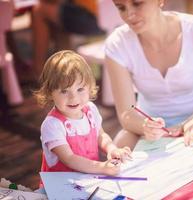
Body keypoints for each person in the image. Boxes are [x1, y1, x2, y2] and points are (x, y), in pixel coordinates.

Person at [104, 0, 193, 149]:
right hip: (153, 128)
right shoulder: (117, 44)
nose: (129, 14)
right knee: (120, 147)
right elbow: (126, 113)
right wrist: (146, 126)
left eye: (138, 3)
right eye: (121, 8)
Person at [34, 50, 131, 179]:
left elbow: (100, 135)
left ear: (89, 87)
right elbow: (69, 159)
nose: (74, 98)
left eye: (80, 89)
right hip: (62, 186)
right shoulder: (52, 125)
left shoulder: (90, 110)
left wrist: (112, 149)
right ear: (50, 92)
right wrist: (102, 167)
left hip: (90, 179)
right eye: (64, 91)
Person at [32, 0, 104, 80]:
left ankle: (39, 72)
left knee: (40, 10)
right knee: (58, 14)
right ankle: (61, 71)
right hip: (109, 15)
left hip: (95, 18)